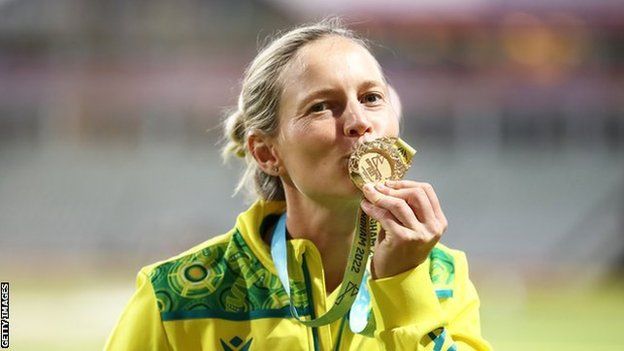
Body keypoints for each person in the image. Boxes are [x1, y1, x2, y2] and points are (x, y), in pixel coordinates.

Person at [105, 19, 492, 351]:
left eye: (372, 97)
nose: (359, 121)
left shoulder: (442, 277)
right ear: (266, 153)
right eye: (322, 106)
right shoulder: (175, 297)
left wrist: (405, 287)